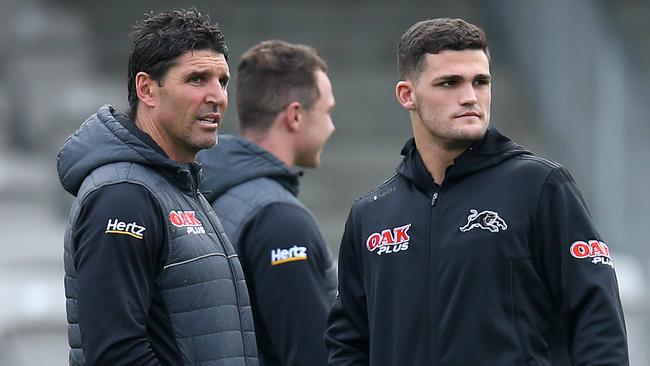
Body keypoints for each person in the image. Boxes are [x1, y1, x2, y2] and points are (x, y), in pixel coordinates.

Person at [325, 18, 629, 365]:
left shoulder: (541, 187)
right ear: (407, 95)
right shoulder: (371, 214)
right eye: (449, 83)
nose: (470, 97)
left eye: (480, 82)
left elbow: (598, 324)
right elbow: (348, 343)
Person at [57, 8, 258, 366]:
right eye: (197, 79)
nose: (217, 97)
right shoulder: (121, 196)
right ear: (147, 89)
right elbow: (116, 355)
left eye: (223, 81)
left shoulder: (177, 187)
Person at [197, 40, 337, 366]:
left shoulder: (205, 195)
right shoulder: (279, 220)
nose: (331, 126)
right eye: (327, 112)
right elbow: (311, 355)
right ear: (295, 116)